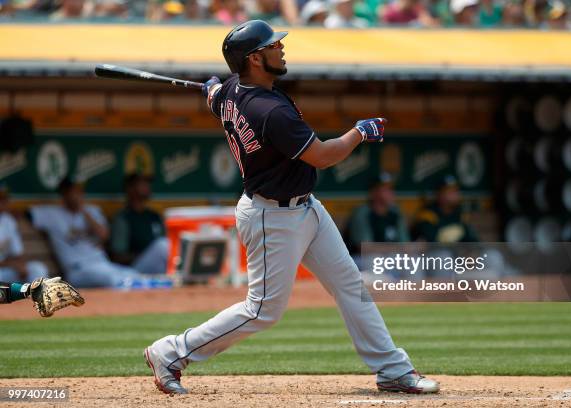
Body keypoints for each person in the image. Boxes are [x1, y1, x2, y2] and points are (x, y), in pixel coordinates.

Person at [144, 20, 439, 396]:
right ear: (253, 59)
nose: (281, 48)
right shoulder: (269, 110)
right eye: (272, 45)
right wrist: (359, 132)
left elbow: (218, 94)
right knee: (262, 310)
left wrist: (213, 89)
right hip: (272, 216)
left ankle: (392, 369)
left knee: (350, 284)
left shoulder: (231, 91)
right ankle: (169, 352)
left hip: (305, 208)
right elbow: (322, 155)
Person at [28, 176, 170, 288]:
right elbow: (23, 214)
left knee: (132, 274)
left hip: (101, 263)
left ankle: (155, 290)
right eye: (74, 190)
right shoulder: (51, 214)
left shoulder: (91, 211)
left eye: (80, 190)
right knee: (113, 279)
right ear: (64, 193)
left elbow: (104, 235)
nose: (79, 194)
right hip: (77, 269)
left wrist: (83, 211)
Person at [110, 173, 169, 275]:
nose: (147, 186)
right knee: (161, 246)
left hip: (158, 266)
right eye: (142, 184)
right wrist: (147, 254)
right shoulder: (123, 218)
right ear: (130, 189)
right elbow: (117, 257)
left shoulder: (154, 216)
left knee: (164, 245)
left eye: (148, 183)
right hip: (133, 270)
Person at [344, 173, 410, 262]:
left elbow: (405, 245)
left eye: (391, 189)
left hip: (388, 258)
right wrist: (396, 248)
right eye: (386, 189)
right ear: (373, 192)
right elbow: (366, 249)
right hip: (359, 260)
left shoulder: (395, 212)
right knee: (372, 260)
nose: (391, 193)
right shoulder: (362, 213)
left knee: (412, 262)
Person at [0, 183, 49, 283]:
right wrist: (12, 264)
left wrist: (20, 264)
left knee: (37, 269)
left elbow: (17, 253)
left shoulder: (8, 220)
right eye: (1, 198)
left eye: (5, 198)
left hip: (5, 269)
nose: (4, 201)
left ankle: (36, 298)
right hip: (4, 269)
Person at [412, 175, 479, 243]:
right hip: (432, 252)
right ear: (440, 194)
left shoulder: (459, 214)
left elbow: (471, 239)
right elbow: (430, 241)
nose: (455, 195)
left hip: (456, 251)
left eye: (456, 191)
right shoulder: (428, 214)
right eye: (450, 192)